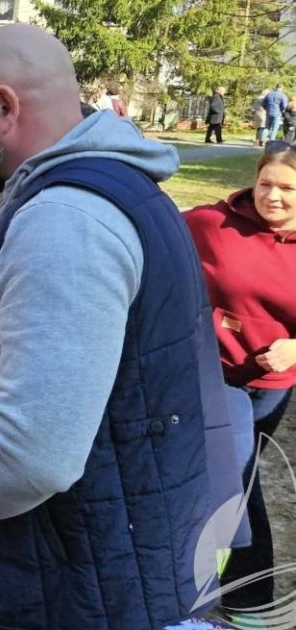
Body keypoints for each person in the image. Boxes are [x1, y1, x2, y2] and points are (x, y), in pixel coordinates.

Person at [0, 24, 230, 628]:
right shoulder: (96, 195)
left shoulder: (64, 220)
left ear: (6, 106)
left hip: (70, 585)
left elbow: (34, 451)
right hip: (86, 567)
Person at [185, 144, 296, 623]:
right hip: (216, 377)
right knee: (230, 480)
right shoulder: (214, 224)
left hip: (273, 386)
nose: (272, 196)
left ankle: (244, 599)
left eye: (287, 188)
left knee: (241, 483)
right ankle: (234, 600)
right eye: (265, 183)